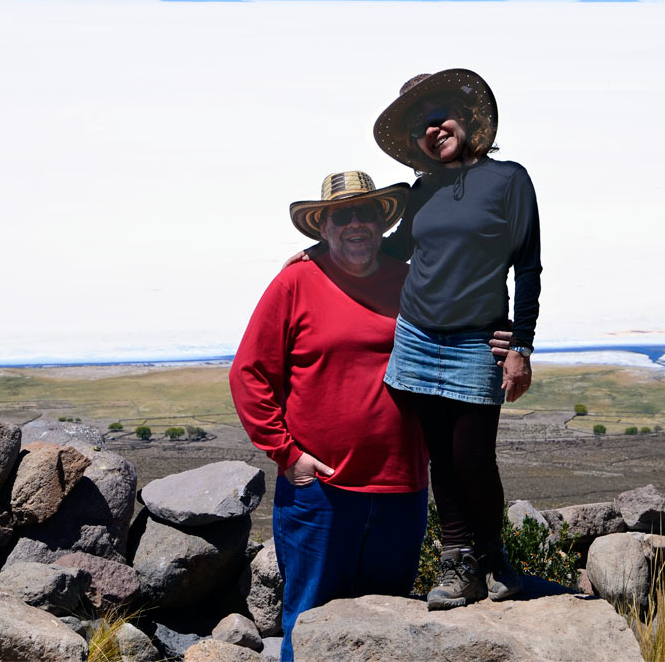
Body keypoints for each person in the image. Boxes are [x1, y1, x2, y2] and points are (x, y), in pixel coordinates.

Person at [230, 171, 428, 660]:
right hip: (320, 491)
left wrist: (509, 340)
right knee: (310, 621)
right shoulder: (296, 281)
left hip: (401, 488)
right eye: (343, 215)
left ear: (383, 221)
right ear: (323, 226)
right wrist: (286, 453)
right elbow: (249, 373)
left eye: (366, 212)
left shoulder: (410, 279)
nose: (355, 223)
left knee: (387, 629)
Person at [373, 68, 542, 610]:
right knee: (441, 461)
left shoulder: (509, 180)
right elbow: (393, 252)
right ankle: (457, 563)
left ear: (466, 117)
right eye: (421, 126)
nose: (433, 130)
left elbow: (528, 268)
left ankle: (492, 556)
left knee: (473, 457)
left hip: (476, 343)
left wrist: (521, 346)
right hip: (418, 337)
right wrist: (319, 254)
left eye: (439, 116)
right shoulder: (422, 191)